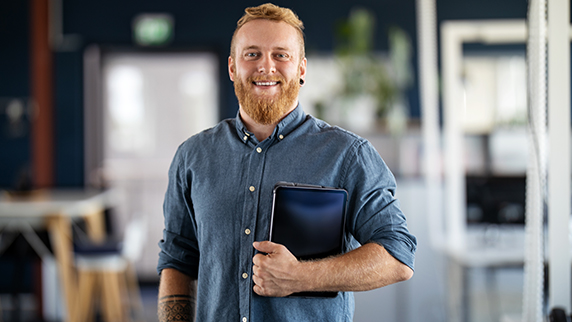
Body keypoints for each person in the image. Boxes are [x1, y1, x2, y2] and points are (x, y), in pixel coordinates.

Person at [157, 3, 417, 322]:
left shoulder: (348, 155)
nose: (266, 66)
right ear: (232, 68)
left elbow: (397, 256)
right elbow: (177, 259)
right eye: (252, 54)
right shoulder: (193, 156)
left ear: (302, 69)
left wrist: (301, 277)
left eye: (281, 54)